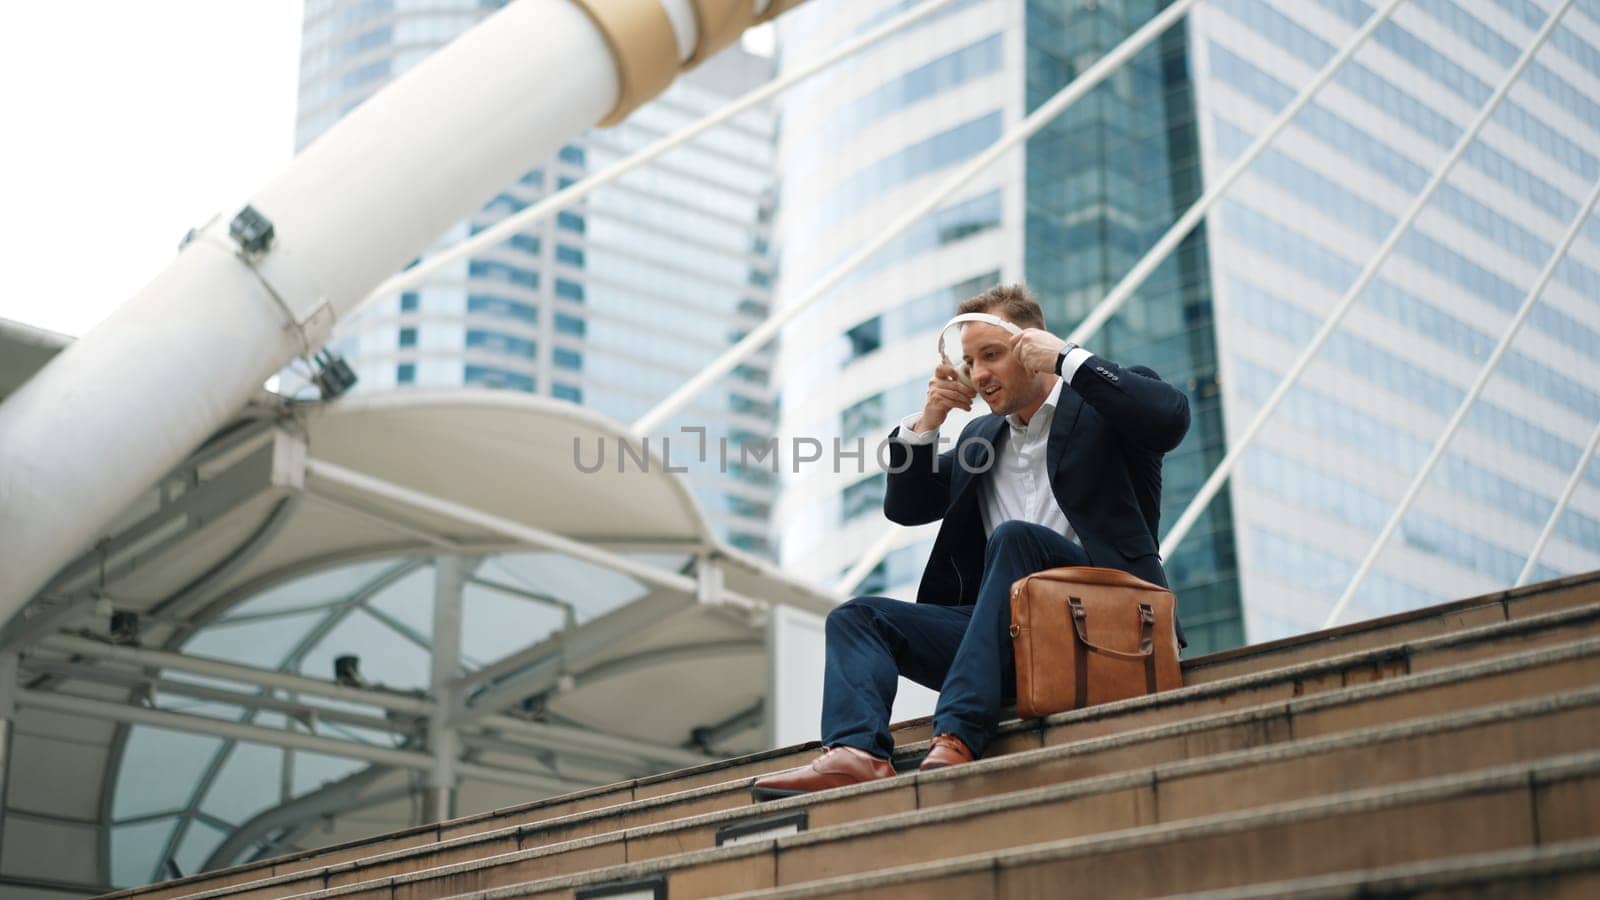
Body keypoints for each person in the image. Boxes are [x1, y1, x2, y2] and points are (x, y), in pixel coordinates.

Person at [752, 283, 1189, 799]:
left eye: (991, 355)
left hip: (1104, 627)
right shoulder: (981, 438)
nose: (978, 374)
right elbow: (907, 507)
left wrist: (1068, 359)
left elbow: (1168, 418)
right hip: (1006, 639)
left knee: (1016, 541)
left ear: (1034, 345)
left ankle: (958, 730)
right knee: (858, 617)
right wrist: (927, 423)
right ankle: (856, 752)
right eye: (969, 362)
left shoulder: (1103, 405)